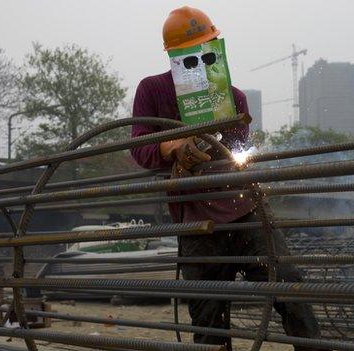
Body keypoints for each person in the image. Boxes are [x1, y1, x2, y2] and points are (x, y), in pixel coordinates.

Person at [130, 6, 326, 351]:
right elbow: (139, 147)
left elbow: (240, 150)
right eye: (188, 56)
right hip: (195, 221)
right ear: (174, 56)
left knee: (288, 285)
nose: (199, 61)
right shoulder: (153, 90)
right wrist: (173, 147)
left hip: (245, 211)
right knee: (208, 317)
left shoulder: (234, 99)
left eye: (205, 52)